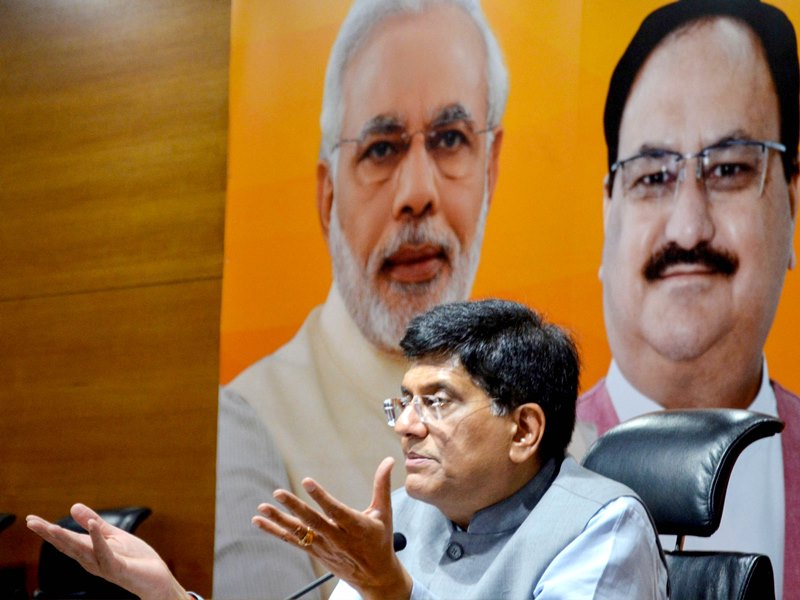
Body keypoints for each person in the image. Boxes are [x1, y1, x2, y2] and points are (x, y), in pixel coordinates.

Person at [27, 299, 668, 599]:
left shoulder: (601, 528)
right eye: (404, 401)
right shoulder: (406, 515)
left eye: (437, 401)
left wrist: (393, 594)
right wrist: (169, 596)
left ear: (524, 430)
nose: (407, 425)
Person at [216, 1, 507, 597]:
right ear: (328, 198)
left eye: (450, 140)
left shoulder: (552, 432)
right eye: (381, 148)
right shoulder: (248, 426)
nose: (418, 193)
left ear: (491, 170)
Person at [574, 1, 799, 597]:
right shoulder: (514, 482)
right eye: (652, 176)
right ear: (608, 213)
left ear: (792, 203)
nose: (688, 227)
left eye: (729, 169)